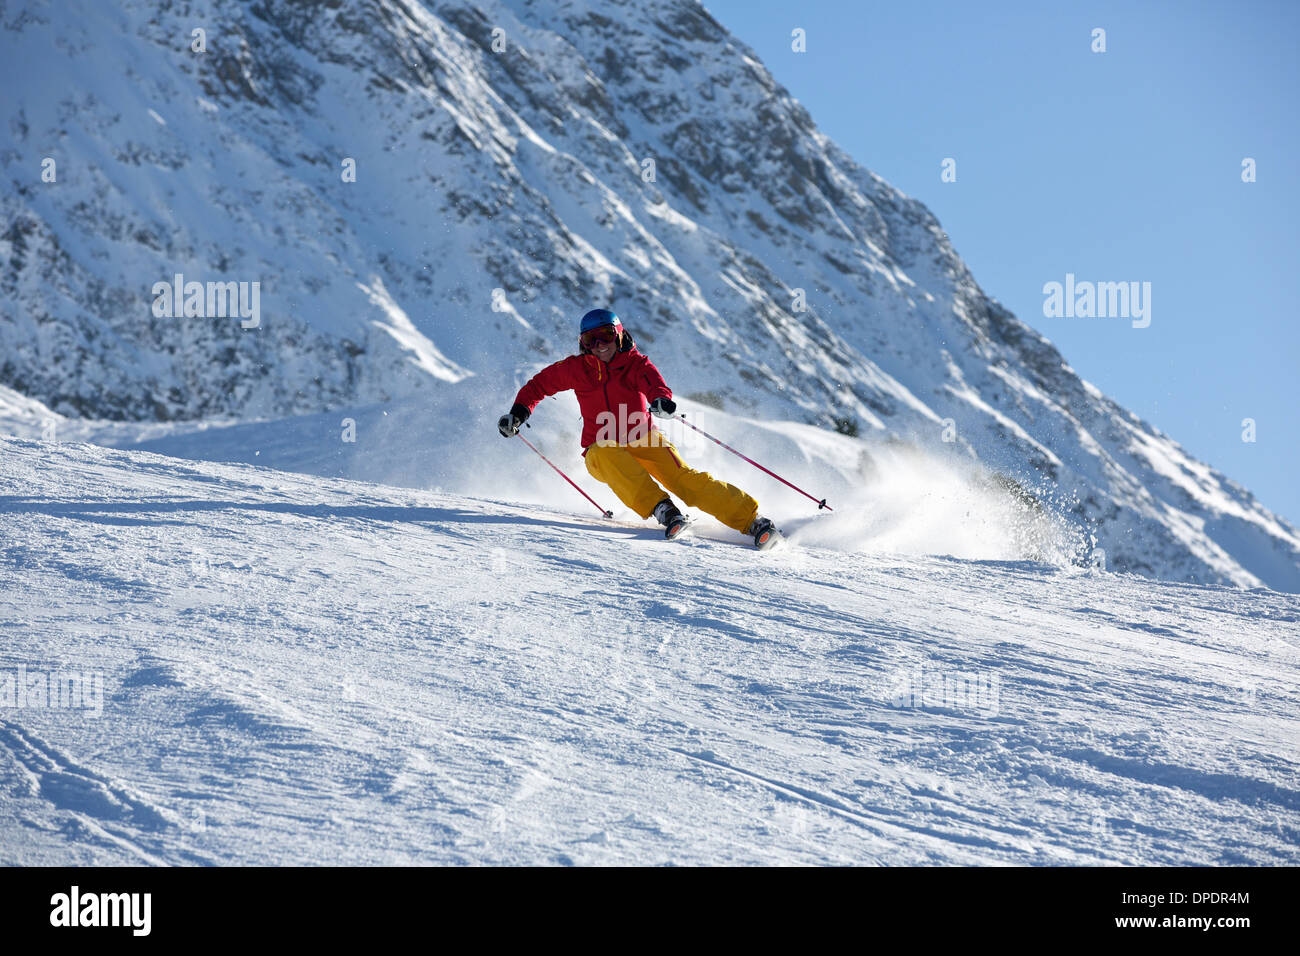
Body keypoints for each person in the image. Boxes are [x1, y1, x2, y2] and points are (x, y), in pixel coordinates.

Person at [498, 309, 779, 548]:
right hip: (601, 450)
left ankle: (753, 522)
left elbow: (654, 383)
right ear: (583, 343)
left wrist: (661, 400)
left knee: (683, 479)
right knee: (605, 451)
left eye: (606, 336)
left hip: (643, 437)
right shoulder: (576, 368)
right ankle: (664, 510)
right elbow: (538, 386)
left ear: (619, 335)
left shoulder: (635, 364)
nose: (599, 345)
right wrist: (518, 414)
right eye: (590, 339)